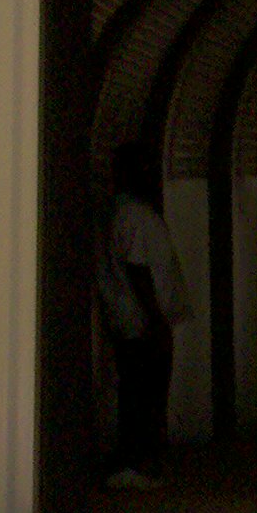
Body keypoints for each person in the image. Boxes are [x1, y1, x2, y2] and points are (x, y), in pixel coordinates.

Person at [98, 140, 191, 490]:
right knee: (145, 389)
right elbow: (140, 271)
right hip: (141, 320)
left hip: (128, 318)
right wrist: (156, 320)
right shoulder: (137, 215)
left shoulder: (118, 212)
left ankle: (132, 459)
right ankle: (136, 461)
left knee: (135, 387)